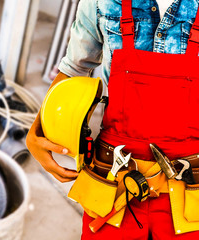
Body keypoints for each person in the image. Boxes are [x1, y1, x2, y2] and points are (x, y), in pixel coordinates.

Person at [26, 0, 199, 239]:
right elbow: (74, 68)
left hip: (192, 185)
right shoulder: (102, 3)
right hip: (113, 178)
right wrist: (38, 129)